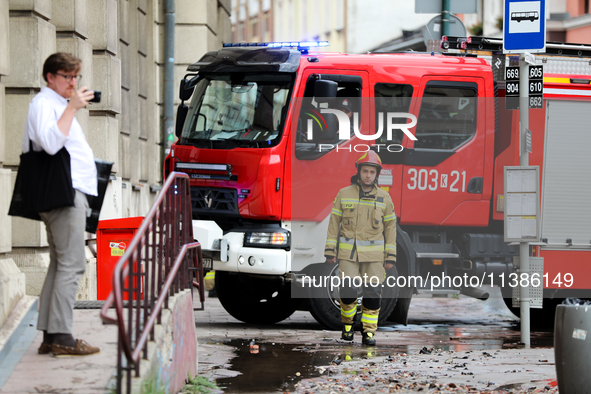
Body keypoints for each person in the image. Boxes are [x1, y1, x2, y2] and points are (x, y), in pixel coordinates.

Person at [24, 52, 100, 357]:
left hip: (68, 192)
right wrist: (71, 108)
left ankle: (50, 334)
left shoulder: (55, 104)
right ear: (50, 77)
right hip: (63, 193)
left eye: (76, 76)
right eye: (66, 76)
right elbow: (50, 143)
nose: (73, 82)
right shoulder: (44, 103)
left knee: (60, 264)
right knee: (73, 264)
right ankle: (63, 337)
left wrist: (69, 107)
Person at [324, 151, 396, 346]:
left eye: (372, 172)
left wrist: (390, 255)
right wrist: (330, 249)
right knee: (347, 291)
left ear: (377, 174)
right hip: (349, 254)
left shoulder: (385, 198)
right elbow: (334, 223)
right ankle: (347, 325)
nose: (368, 175)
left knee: (373, 293)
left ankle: (369, 333)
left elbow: (390, 228)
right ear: (359, 171)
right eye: (365, 171)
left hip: (374, 257)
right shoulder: (344, 194)